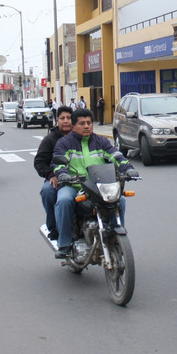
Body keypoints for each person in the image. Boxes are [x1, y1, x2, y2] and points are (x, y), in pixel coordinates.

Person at [52, 108, 138, 258]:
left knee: (120, 200)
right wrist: (63, 174)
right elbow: (58, 163)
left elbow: (116, 155)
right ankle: (64, 243)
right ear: (73, 126)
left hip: (98, 186)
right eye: (82, 123)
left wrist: (128, 169)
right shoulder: (64, 143)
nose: (87, 126)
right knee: (64, 200)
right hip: (74, 185)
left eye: (89, 123)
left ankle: (116, 234)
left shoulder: (101, 141)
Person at [34, 105, 74, 241]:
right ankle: (55, 227)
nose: (66, 121)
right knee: (47, 191)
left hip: (80, 177)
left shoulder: (80, 137)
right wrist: (51, 175)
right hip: (57, 178)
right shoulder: (50, 139)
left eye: (69, 118)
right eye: (62, 118)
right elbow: (39, 161)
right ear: (57, 121)